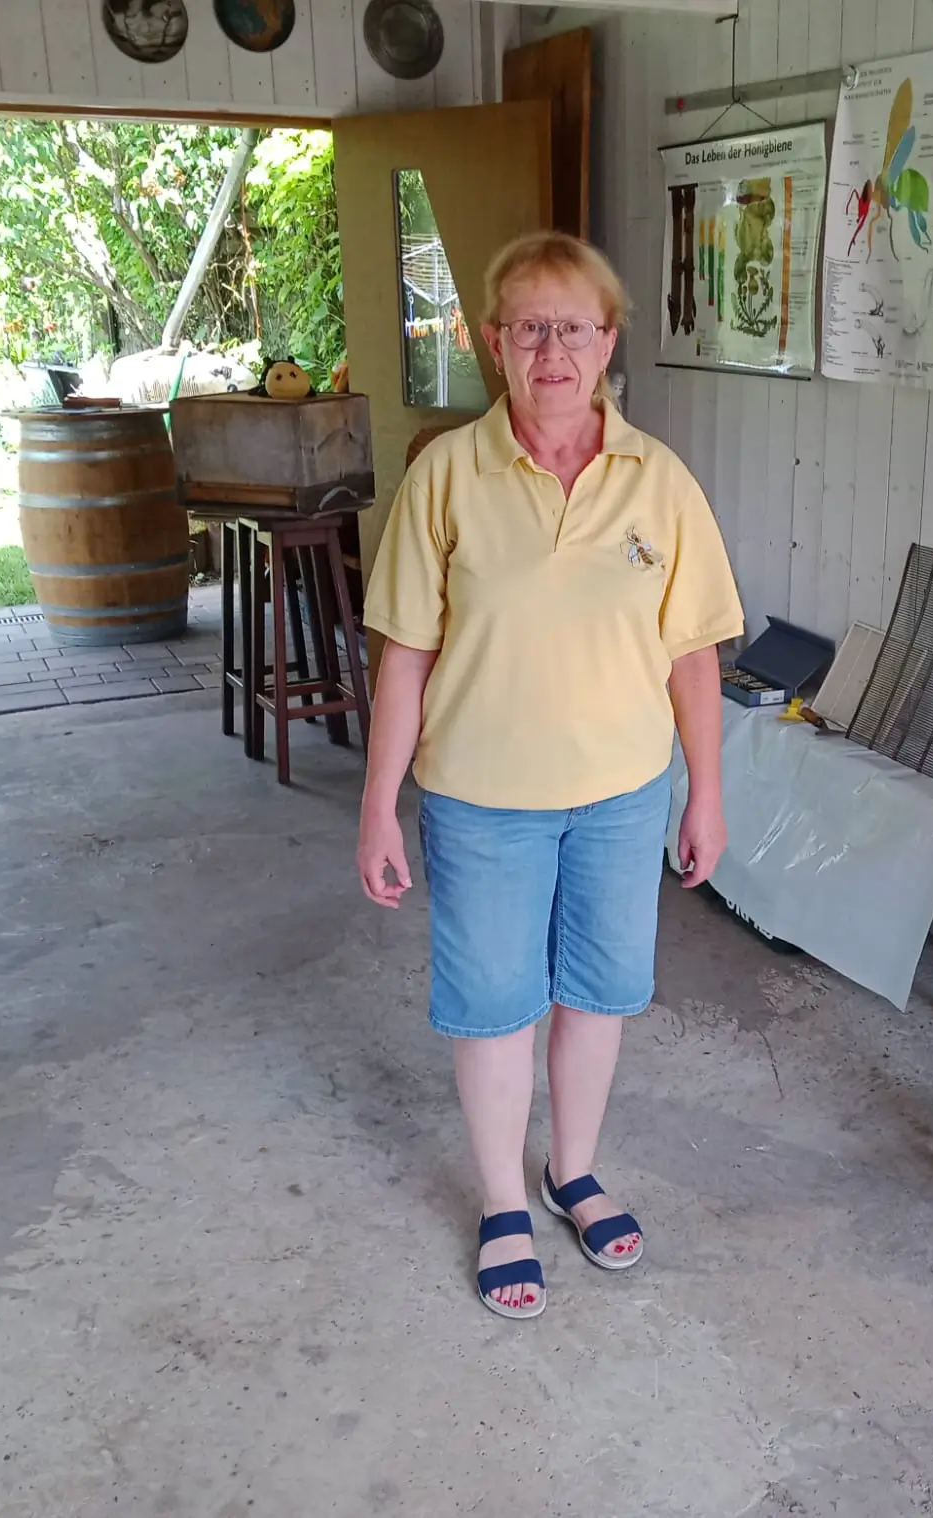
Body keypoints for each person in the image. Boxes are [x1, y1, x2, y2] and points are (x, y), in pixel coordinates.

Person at [356, 231, 743, 1320]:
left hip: (620, 796)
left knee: (597, 993)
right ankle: (499, 1203)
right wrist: (378, 806)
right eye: (529, 328)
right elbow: (405, 654)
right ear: (493, 344)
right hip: (482, 800)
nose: (553, 349)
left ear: (609, 342)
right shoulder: (446, 477)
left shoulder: (656, 481)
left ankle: (570, 1170)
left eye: (574, 327)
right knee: (492, 1009)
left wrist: (702, 792)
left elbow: (692, 656)